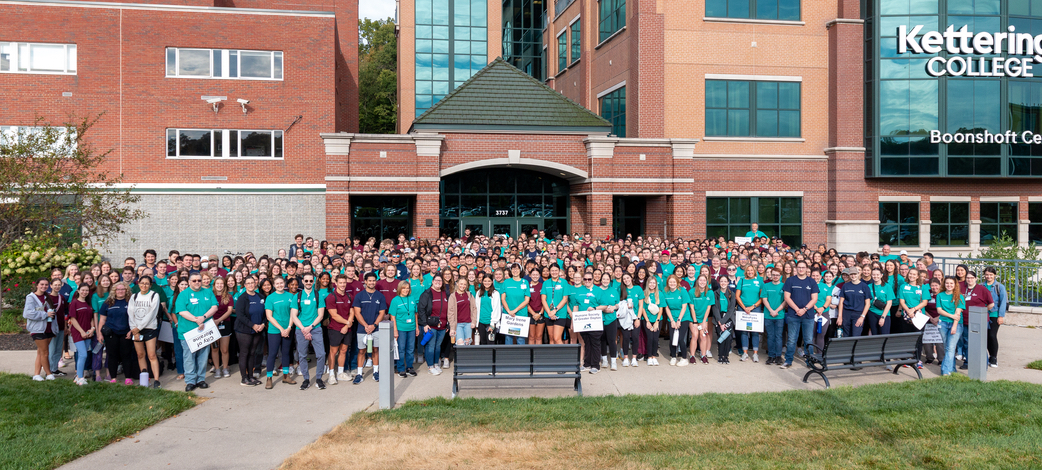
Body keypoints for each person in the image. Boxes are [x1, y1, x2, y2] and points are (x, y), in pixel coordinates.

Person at [175, 274, 218, 392]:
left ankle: (200, 379)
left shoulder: (208, 292)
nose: (197, 282)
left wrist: (203, 317)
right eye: (194, 280)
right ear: (189, 282)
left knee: (203, 357)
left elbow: (214, 307)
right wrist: (196, 319)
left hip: (204, 330)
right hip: (188, 332)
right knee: (189, 357)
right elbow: (182, 311)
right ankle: (190, 381)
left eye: (199, 280)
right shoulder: (183, 295)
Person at [99, 282, 140, 385]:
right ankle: (113, 377)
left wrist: (131, 331)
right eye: (118, 289)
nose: (120, 291)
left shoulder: (131, 302)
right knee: (112, 355)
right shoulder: (108, 302)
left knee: (126, 355)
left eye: (123, 289)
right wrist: (100, 334)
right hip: (111, 333)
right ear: (114, 291)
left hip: (126, 333)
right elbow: (102, 320)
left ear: (126, 290)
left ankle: (128, 378)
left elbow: (136, 318)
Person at [351, 272, 388, 384]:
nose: (372, 282)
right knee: (362, 351)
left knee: (375, 350)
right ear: (365, 281)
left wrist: (374, 325)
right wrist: (366, 326)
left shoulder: (380, 296)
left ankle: (376, 372)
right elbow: (357, 313)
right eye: (370, 280)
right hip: (362, 329)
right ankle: (359, 373)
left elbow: (382, 313)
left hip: (376, 328)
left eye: (373, 280)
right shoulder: (359, 296)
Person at [292, 272, 326, 390]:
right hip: (300, 329)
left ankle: (318, 378)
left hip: (315, 328)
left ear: (314, 281)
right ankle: (306, 379)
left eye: (310, 281)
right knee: (302, 355)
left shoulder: (318, 296)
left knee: (321, 354)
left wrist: (310, 327)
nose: (308, 283)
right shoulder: (297, 296)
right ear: (303, 281)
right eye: (306, 281)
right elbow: (294, 315)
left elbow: (320, 315)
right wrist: (303, 329)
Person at [128, 276, 162, 388]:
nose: (144, 285)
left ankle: (156, 380)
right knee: (140, 354)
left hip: (149, 328)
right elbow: (130, 313)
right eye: (142, 283)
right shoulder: (134, 296)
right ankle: (145, 379)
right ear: (138, 284)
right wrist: (134, 329)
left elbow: (152, 314)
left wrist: (139, 328)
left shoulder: (154, 295)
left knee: (152, 355)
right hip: (136, 329)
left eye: (147, 283)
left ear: (150, 285)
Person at [263, 277, 297, 389]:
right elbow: (269, 316)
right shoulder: (270, 298)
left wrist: (288, 327)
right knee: (272, 354)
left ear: (284, 283)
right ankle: (269, 378)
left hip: (288, 329)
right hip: (274, 330)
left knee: (286, 352)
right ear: (274, 285)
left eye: (281, 283)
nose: (279, 285)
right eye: (277, 283)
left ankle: (286, 376)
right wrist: (281, 329)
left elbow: (293, 314)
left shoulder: (291, 296)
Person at [233, 277, 265, 386]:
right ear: (245, 285)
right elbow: (240, 315)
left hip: (258, 329)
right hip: (244, 330)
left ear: (256, 283)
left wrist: (263, 324)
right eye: (248, 283)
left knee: (253, 353)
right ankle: (244, 378)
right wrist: (253, 325)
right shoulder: (242, 298)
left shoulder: (260, 297)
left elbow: (266, 313)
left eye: (252, 283)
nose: (251, 285)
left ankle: (251, 377)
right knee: (244, 353)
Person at [959, 271, 994, 370]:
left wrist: (981, 311)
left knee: (980, 342)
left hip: (979, 320)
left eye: (971, 278)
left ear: (976, 278)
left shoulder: (982, 289)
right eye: (967, 278)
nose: (969, 280)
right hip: (965, 320)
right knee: (966, 341)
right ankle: (968, 362)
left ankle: (983, 363)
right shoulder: (962, 289)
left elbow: (991, 304)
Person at [325, 274, 355, 384]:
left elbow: (352, 312)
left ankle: (341, 373)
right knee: (333, 352)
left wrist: (347, 326)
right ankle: (331, 374)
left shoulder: (350, 296)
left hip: (347, 329)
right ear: (336, 283)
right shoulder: (331, 297)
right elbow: (334, 315)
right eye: (340, 282)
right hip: (335, 328)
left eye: (344, 282)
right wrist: (347, 323)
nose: (342, 285)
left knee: (343, 351)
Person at [24, 279, 57, 381]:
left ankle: (36, 374)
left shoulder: (47, 297)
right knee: (45, 352)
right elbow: (27, 313)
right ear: (37, 285)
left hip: (48, 328)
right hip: (38, 329)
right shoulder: (31, 298)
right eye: (42, 284)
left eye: (46, 285)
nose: (44, 286)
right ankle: (48, 374)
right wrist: (45, 314)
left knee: (40, 352)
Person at [418, 276, 450, 375]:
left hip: (443, 325)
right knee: (430, 346)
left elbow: (450, 309)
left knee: (438, 346)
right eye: (436, 280)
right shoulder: (427, 293)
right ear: (432, 282)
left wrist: (448, 324)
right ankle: (430, 367)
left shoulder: (445, 293)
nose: (438, 282)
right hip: (431, 325)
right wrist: (424, 324)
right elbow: (421, 310)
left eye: (440, 281)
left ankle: (436, 364)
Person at [571, 272, 602, 373]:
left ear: (593, 279)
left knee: (595, 343)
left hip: (595, 321)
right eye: (585, 279)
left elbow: (605, 305)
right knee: (586, 343)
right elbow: (575, 307)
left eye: (589, 279)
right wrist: (573, 322)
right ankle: (587, 363)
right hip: (583, 322)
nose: (587, 281)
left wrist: (594, 308)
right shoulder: (579, 291)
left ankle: (595, 365)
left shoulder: (598, 290)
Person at [68, 284, 96, 385]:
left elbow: (92, 318)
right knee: (83, 354)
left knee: (82, 355)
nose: (85, 292)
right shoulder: (74, 303)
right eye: (83, 290)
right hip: (78, 332)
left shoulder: (89, 303)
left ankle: (78, 377)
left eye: (87, 290)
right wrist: (81, 332)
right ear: (78, 291)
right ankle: (80, 377)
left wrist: (92, 329)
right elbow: (73, 319)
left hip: (88, 332)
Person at [389, 281, 419, 378]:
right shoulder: (395, 300)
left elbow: (415, 314)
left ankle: (409, 367)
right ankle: (401, 368)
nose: (406, 290)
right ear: (399, 289)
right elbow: (392, 316)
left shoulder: (412, 298)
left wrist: (417, 327)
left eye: (407, 288)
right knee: (401, 349)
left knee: (410, 349)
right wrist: (395, 330)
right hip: (401, 328)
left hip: (412, 328)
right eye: (404, 288)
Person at [936, 277, 965, 376]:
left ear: (955, 285)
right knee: (947, 347)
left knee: (951, 347)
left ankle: (945, 371)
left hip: (955, 324)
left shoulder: (959, 296)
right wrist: (951, 316)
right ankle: (952, 369)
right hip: (943, 323)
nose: (949, 285)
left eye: (951, 283)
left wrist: (954, 326)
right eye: (947, 283)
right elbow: (939, 310)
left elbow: (958, 314)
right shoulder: (940, 295)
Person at [735, 266, 762, 362]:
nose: (750, 272)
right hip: (743, 309)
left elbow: (762, 297)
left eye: (752, 270)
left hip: (755, 309)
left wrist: (752, 307)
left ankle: (755, 354)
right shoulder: (742, 281)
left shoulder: (759, 281)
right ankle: (745, 353)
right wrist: (744, 308)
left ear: (755, 271)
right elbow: (737, 296)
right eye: (748, 270)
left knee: (755, 331)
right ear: (746, 271)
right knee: (744, 331)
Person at [209, 276, 234, 379]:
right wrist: (213, 321)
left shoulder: (228, 296)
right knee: (215, 348)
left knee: (224, 349)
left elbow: (229, 311)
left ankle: (225, 368)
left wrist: (218, 320)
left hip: (225, 324)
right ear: (214, 285)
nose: (219, 285)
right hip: (211, 324)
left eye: (221, 284)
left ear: (224, 285)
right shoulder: (210, 296)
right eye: (217, 284)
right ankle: (217, 368)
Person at [662, 275, 691, 367]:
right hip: (672, 317)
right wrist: (672, 320)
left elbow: (684, 307)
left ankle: (684, 358)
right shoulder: (665, 292)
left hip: (683, 317)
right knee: (672, 338)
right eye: (670, 282)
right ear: (668, 283)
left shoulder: (682, 291)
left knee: (681, 338)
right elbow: (666, 308)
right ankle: (673, 357)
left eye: (674, 282)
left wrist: (679, 320)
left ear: (677, 283)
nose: (672, 284)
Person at [499, 263, 531, 345]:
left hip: (521, 315)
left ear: (520, 270)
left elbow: (527, 300)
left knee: (520, 339)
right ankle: (508, 357)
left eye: (517, 268)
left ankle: (521, 357)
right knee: (508, 339)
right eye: (513, 269)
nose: (515, 270)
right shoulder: (506, 282)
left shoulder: (525, 282)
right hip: (508, 315)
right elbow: (503, 298)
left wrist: (515, 310)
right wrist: (509, 311)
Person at [982, 267, 1007, 367]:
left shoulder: (999, 287)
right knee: (985, 336)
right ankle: (987, 356)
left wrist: (1001, 316)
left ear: (994, 275)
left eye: (991, 275)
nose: (989, 276)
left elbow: (1003, 302)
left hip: (994, 314)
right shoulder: (981, 286)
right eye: (987, 274)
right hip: (983, 313)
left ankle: (994, 357)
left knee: (992, 335)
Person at [761, 267, 785, 365]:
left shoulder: (784, 286)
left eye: (777, 275)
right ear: (770, 275)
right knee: (770, 336)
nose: (775, 276)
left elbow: (785, 301)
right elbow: (764, 299)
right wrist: (771, 310)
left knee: (778, 336)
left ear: (780, 276)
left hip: (780, 315)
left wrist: (776, 311)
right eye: (773, 274)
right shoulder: (766, 286)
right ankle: (771, 356)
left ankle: (778, 356)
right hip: (768, 315)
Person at [838, 266, 870, 338]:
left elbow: (867, 304)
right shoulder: (845, 286)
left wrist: (862, 316)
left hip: (858, 313)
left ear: (858, 274)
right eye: (851, 274)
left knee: (856, 335)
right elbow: (841, 302)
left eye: (855, 274)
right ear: (849, 275)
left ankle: (854, 349)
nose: (853, 276)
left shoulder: (864, 286)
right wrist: (840, 316)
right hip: (846, 313)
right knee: (846, 335)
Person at [619, 272, 643, 367]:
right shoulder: (621, 289)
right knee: (625, 338)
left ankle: (633, 358)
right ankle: (625, 358)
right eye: (624, 279)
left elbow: (641, 305)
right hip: (625, 318)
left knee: (635, 337)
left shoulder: (638, 289)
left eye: (627, 278)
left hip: (635, 317)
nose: (626, 280)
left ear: (631, 277)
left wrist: (638, 318)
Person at [541, 264, 569, 345]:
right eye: (552, 270)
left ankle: (562, 357)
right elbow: (543, 299)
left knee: (557, 338)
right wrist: (549, 312)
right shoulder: (545, 283)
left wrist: (555, 310)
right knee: (551, 338)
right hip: (548, 313)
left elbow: (565, 299)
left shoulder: (564, 282)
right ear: (549, 271)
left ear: (559, 271)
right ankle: (552, 357)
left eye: (556, 270)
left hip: (560, 313)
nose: (554, 272)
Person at [689, 275, 714, 364]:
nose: (702, 282)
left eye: (704, 280)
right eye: (700, 280)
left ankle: (703, 355)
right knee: (695, 335)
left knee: (703, 336)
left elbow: (708, 308)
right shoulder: (692, 292)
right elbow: (691, 308)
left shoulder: (710, 293)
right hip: (693, 318)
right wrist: (695, 321)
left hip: (704, 319)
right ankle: (692, 356)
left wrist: (704, 322)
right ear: (697, 281)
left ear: (706, 282)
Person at [713, 273, 736, 364]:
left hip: (728, 318)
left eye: (725, 281)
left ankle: (726, 356)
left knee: (728, 338)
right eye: (721, 281)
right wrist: (720, 321)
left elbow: (731, 309)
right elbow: (715, 308)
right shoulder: (715, 293)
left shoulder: (732, 294)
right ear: (719, 282)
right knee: (721, 337)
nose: (723, 283)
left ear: (728, 282)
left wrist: (723, 321)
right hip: (718, 317)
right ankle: (720, 356)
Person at [448, 278, 476, 348]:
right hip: (458, 324)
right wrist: (452, 327)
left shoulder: (469, 295)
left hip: (468, 323)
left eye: (464, 284)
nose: (462, 286)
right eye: (461, 284)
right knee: (460, 344)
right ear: (457, 284)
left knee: (467, 344)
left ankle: (466, 359)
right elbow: (450, 312)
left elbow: (474, 308)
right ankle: (458, 359)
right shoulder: (453, 296)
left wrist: (474, 322)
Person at [866, 267, 893, 335]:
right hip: (872, 312)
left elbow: (889, 303)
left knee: (884, 334)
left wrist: (883, 317)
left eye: (878, 274)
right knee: (875, 334)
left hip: (884, 313)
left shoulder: (887, 286)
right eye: (874, 275)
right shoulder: (868, 286)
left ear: (881, 275)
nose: (875, 276)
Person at [642, 276, 662, 366]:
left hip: (657, 320)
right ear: (647, 284)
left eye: (654, 283)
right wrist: (647, 321)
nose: (652, 284)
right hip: (647, 319)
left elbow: (661, 309)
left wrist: (657, 321)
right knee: (650, 338)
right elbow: (642, 309)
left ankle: (654, 356)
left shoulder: (660, 294)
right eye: (650, 283)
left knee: (655, 339)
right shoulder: (644, 294)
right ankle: (649, 357)